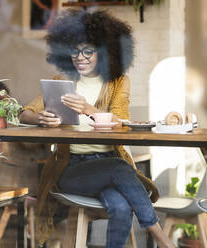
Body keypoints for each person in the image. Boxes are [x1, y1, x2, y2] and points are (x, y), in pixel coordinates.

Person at [19, 9, 176, 248]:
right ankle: (162, 240)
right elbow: (24, 113)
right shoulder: (62, 83)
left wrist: (88, 108)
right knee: (120, 168)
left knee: (122, 207)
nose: (79, 57)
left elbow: (122, 122)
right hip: (72, 169)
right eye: (74, 50)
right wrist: (40, 118)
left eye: (88, 51)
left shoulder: (117, 82)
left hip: (107, 163)